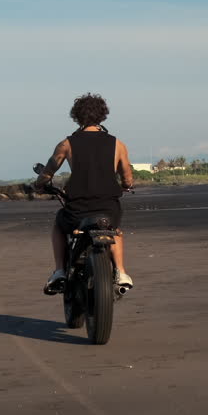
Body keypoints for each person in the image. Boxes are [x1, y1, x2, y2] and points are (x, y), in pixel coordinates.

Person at [34, 93, 135, 295]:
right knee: (115, 230)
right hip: (108, 207)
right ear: (102, 115)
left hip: (77, 208)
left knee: (59, 225)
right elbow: (127, 178)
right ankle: (121, 272)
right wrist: (125, 185)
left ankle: (60, 271)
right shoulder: (118, 144)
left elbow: (48, 172)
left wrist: (39, 184)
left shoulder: (67, 144)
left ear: (76, 116)